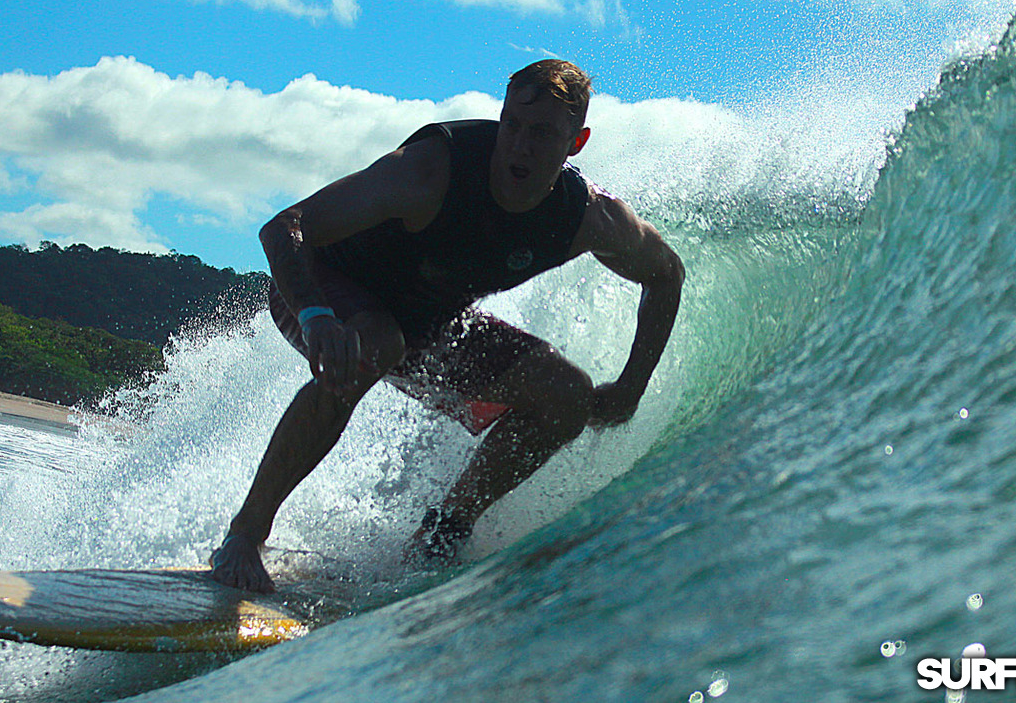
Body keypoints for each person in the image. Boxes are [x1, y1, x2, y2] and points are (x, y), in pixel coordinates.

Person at [210, 59, 685, 592]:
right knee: (374, 343)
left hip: (429, 327)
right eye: (514, 126)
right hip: (321, 292)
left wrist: (632, 386)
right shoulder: (432, 171)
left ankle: (441, 535)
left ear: (576, 143)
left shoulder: (587, 218)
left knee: (566, 395)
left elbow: (666, 276)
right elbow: (286, 228)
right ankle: (244, 538)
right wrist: (315, 315)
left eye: (544, 134)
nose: (521, 147)